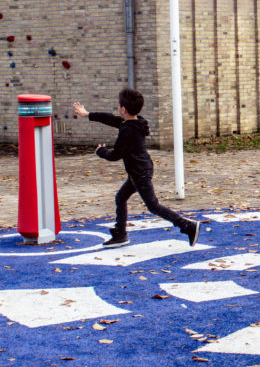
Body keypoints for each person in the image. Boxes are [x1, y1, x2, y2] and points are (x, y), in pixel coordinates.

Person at [72, 90, 200, 249]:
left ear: (123, 109)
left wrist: (100, 152)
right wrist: (88, 114)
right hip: (140, 170)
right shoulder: (135, 122)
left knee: (153, 206)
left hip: (140, 173)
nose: (118, 108)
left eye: (119, 105)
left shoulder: (127, 130)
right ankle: (120, 235)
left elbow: (115, 155)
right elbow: (111, 119)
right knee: (120, 197)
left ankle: (187, 226)